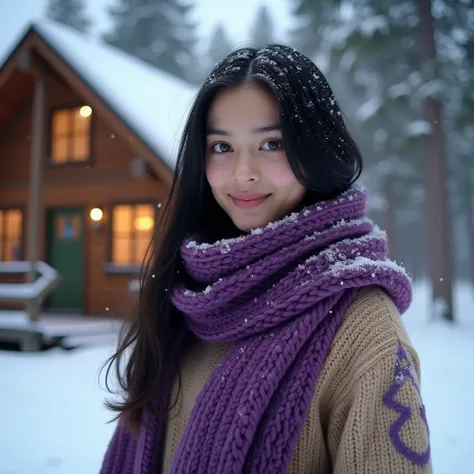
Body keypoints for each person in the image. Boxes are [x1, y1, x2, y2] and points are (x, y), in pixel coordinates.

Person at [100, 45, 432, 474]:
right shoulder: (187, 299)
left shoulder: (364, 329)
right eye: (221, 147)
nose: (243, 172)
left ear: (315, 150)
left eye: (271, 143)